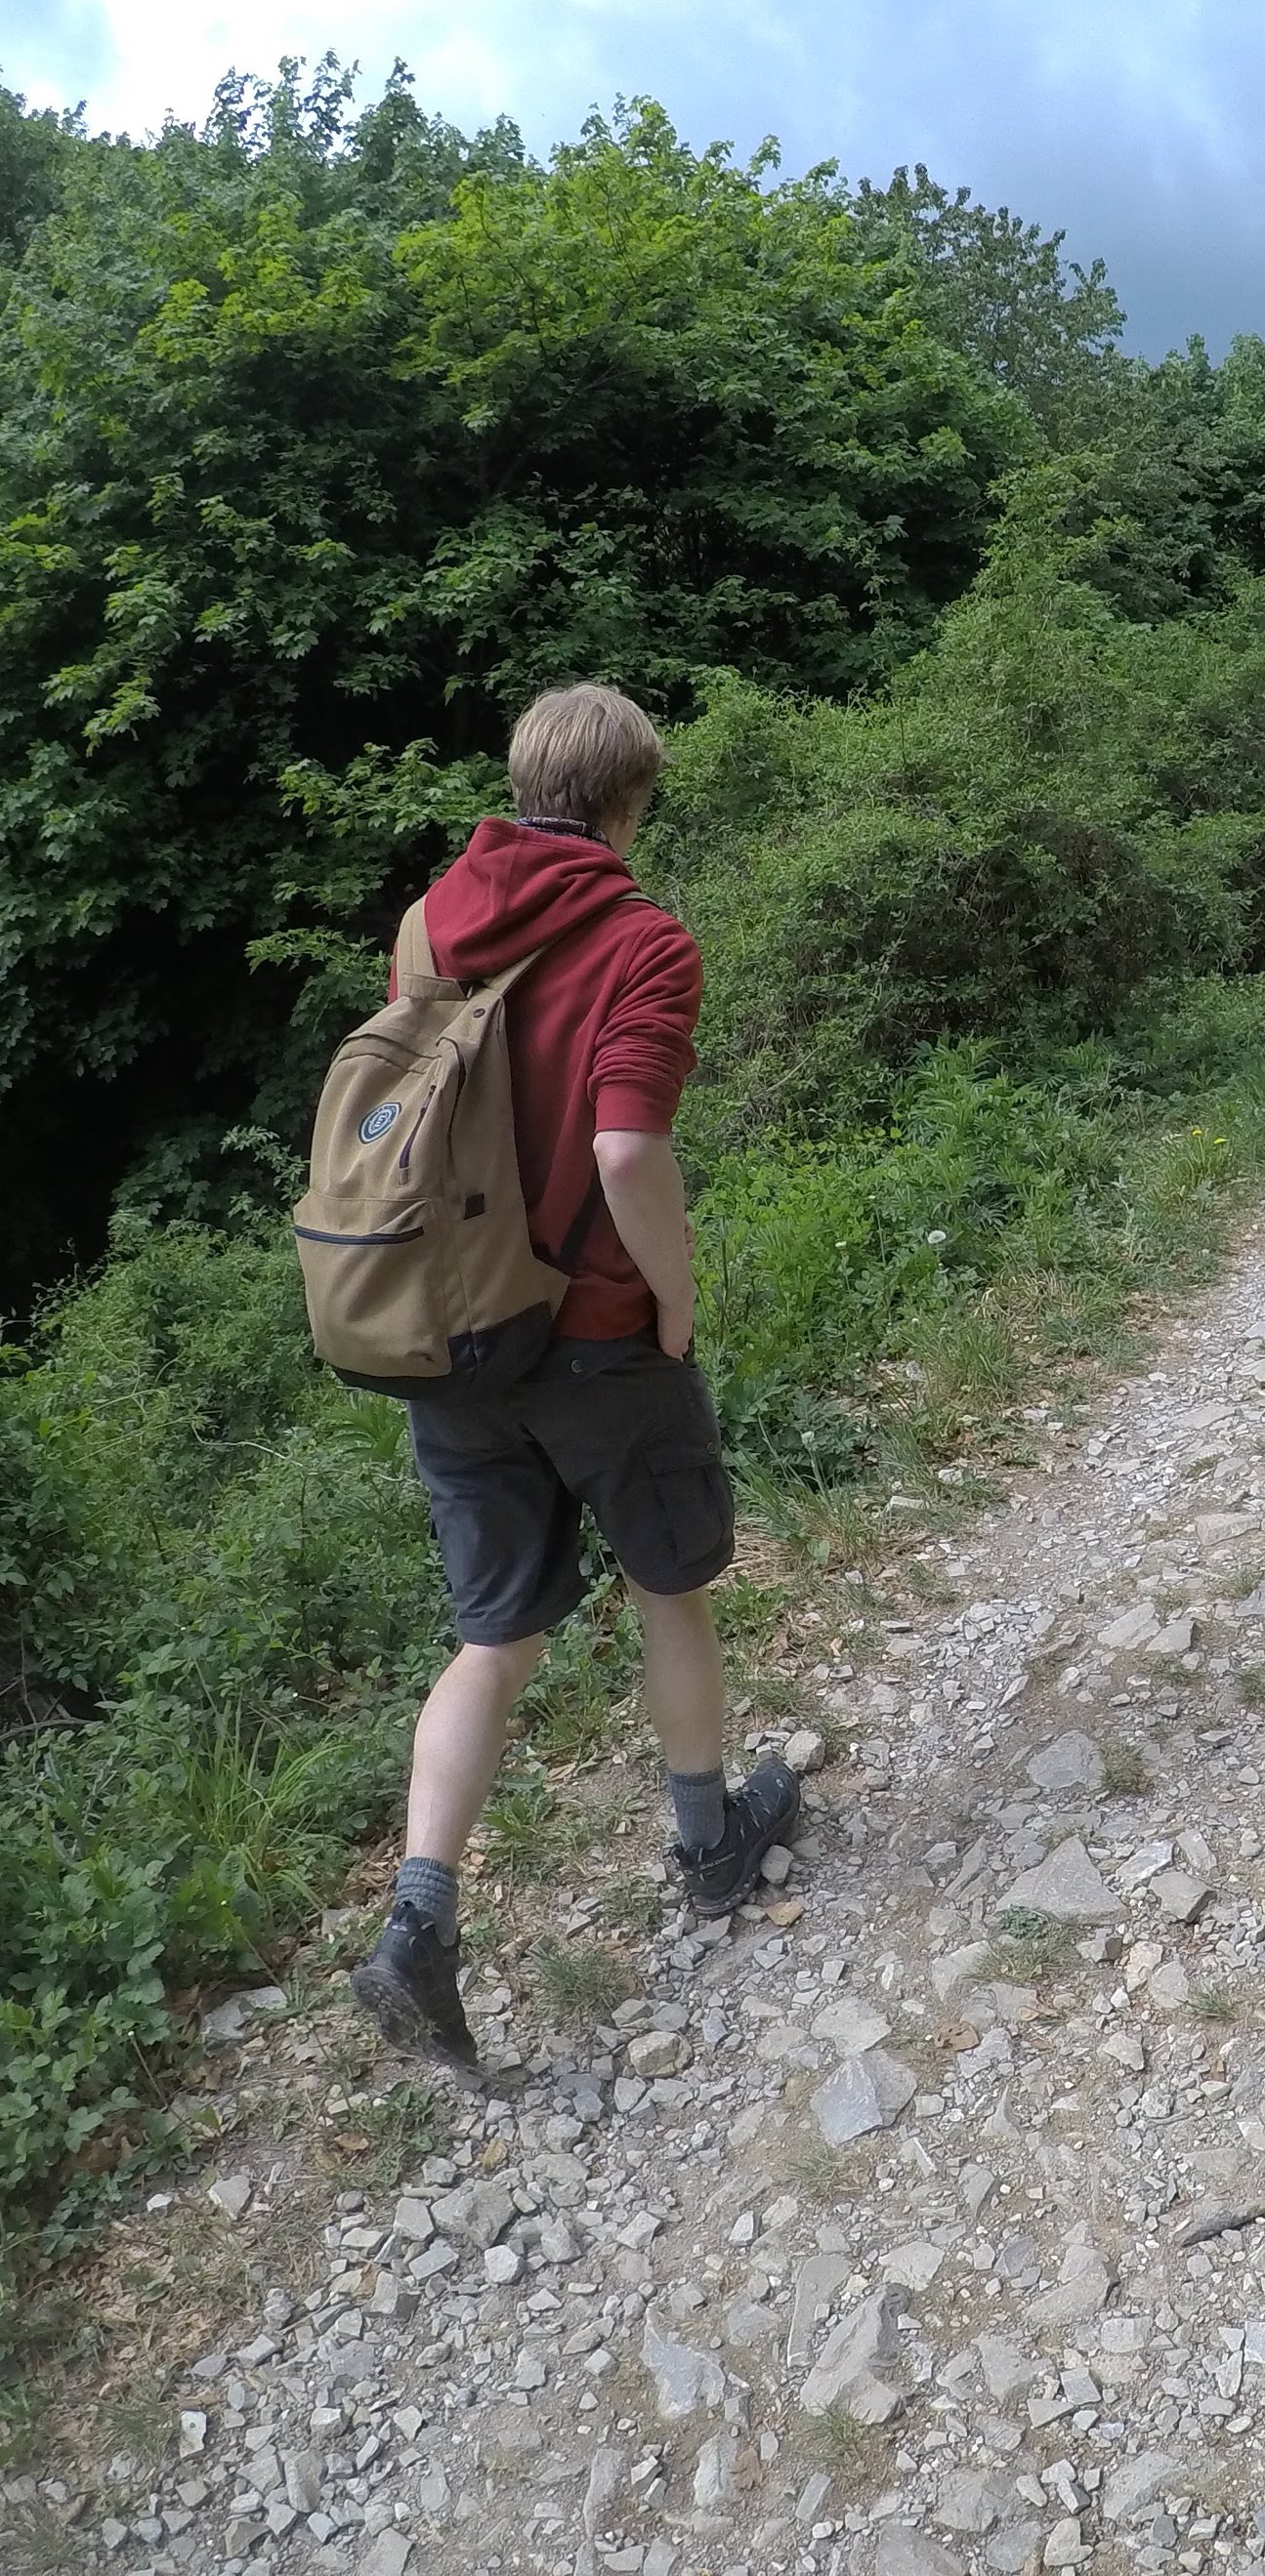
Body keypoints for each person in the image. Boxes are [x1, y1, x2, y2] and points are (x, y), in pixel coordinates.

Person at [348, 683, 797, 2072]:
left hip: (448, 1332)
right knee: (670, 1582)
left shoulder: (429, 928)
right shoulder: (640, 940)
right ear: (628, 799)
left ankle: (420, 1921)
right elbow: (622, 1153)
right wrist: (675, 1297)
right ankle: (712, 1845)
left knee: (494, 1634)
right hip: (598, 1331)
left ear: (523, 780)